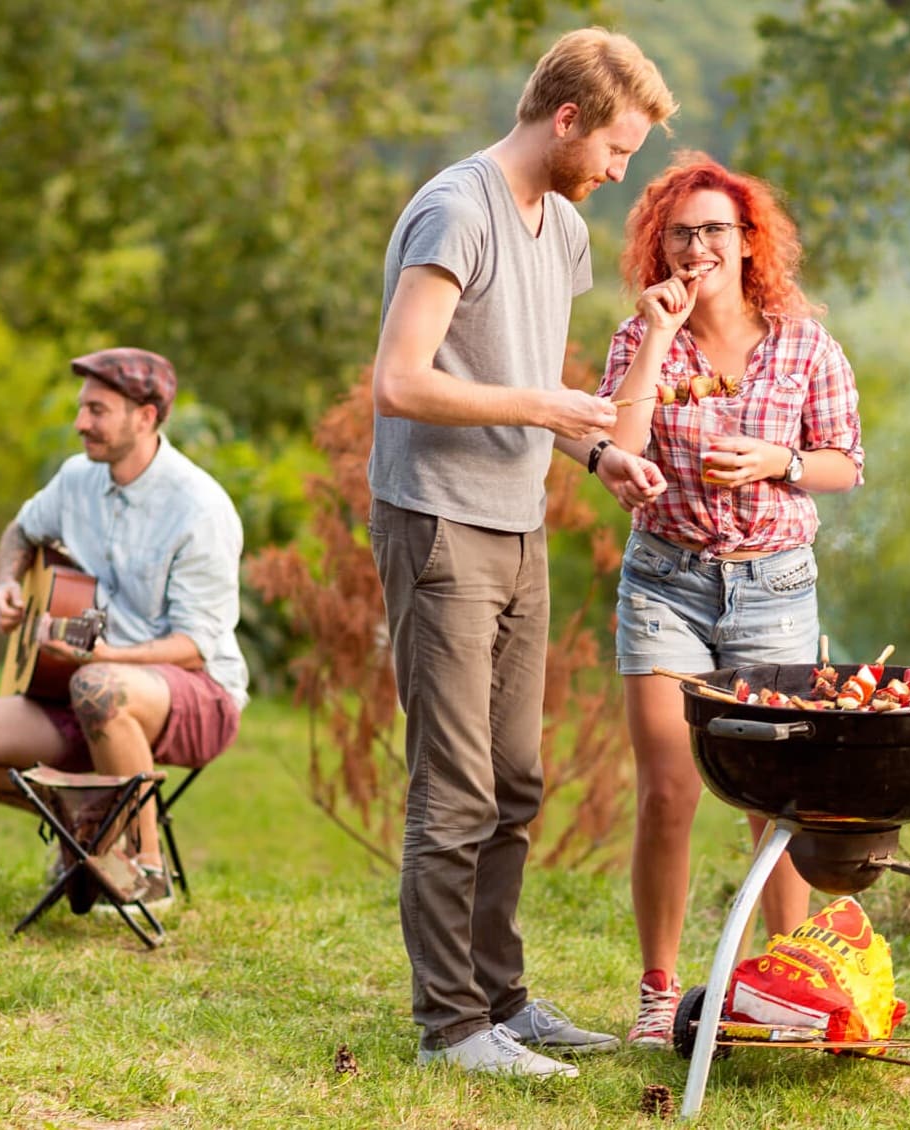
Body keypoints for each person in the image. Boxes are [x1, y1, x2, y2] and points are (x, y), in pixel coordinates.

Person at [367, 28, 676, 1079]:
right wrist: (544, 403)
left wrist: (592, 452)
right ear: (567, 119)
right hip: (437, 516)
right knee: (452, 784)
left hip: (517, 518)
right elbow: (401, 381)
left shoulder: (564, 231)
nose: (618, 172)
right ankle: (451, 1025)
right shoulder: (458, 209)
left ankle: (503, 1000)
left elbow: (525, 379)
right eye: (617, 150)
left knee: (515, 777)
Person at [596, 152, 865, 1048]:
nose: (698, 245)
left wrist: (776, 461)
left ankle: (780, 990)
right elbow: (617, 448)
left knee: (775, 798)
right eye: (682, 232)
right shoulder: (641, 336)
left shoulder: (802, 341)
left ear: (748, 242)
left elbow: (843, 462)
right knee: (669, 788)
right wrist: (659, 337)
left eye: (715, 229)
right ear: (659, 245)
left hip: (774, 585)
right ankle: (658, 992)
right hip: (665, 579)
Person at [0, 348, 247, 911]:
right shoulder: (77, 479)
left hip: (193, 693)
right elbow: (21, 533)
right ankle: (90, 834)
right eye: (81, 409)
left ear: (145, 417)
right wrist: (5, 585)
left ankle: (146, 868)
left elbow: (196, 646)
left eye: (97, 410)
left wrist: (110, 655)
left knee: (99, 685)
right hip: (80, 683)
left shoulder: (200, 508)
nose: (80, 424)